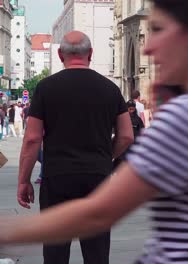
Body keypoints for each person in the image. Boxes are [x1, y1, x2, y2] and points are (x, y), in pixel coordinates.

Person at [1, 1, 188, 264]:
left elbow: (98, 213)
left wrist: (8, 231)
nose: (148, 48)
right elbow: (126, 138)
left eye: (158, 30)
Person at [16, 31, 134, 264]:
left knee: (56, 251)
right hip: (97, 177)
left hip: (57, 176)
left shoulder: (46, 88)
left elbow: (31, 139)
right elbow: (127, 136)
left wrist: (23, 180)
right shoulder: (110, 89)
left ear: (60, 55)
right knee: (97, 252)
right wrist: (104, 157)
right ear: (90, 54)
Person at [112, 100, 144, 169]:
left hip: (133, 149)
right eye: (130, 109)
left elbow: (142, 132)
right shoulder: (122, 118)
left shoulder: (138, 120)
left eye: (133, 109)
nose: (131, 111)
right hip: (123, 148)